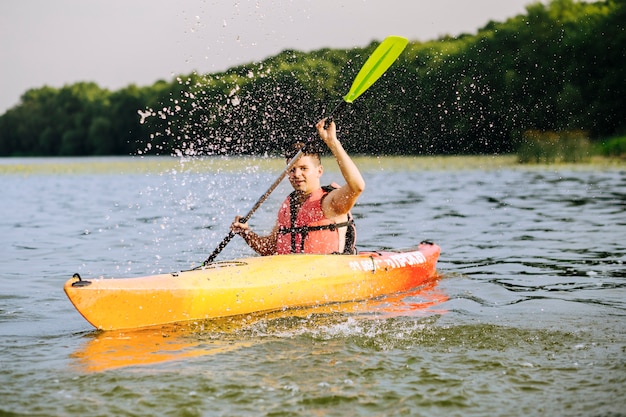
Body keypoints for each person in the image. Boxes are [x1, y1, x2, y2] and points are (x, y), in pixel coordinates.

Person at [230, 118, 365, 255]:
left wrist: (333, 143)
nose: (297, 174)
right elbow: (269, 249)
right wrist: (246, 233)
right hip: (293, 271)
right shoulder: (289, 206)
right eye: (292, 170)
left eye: (303, 168)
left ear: (319, 171)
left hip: (330, 270)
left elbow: (357, 187)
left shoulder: (330, 202)